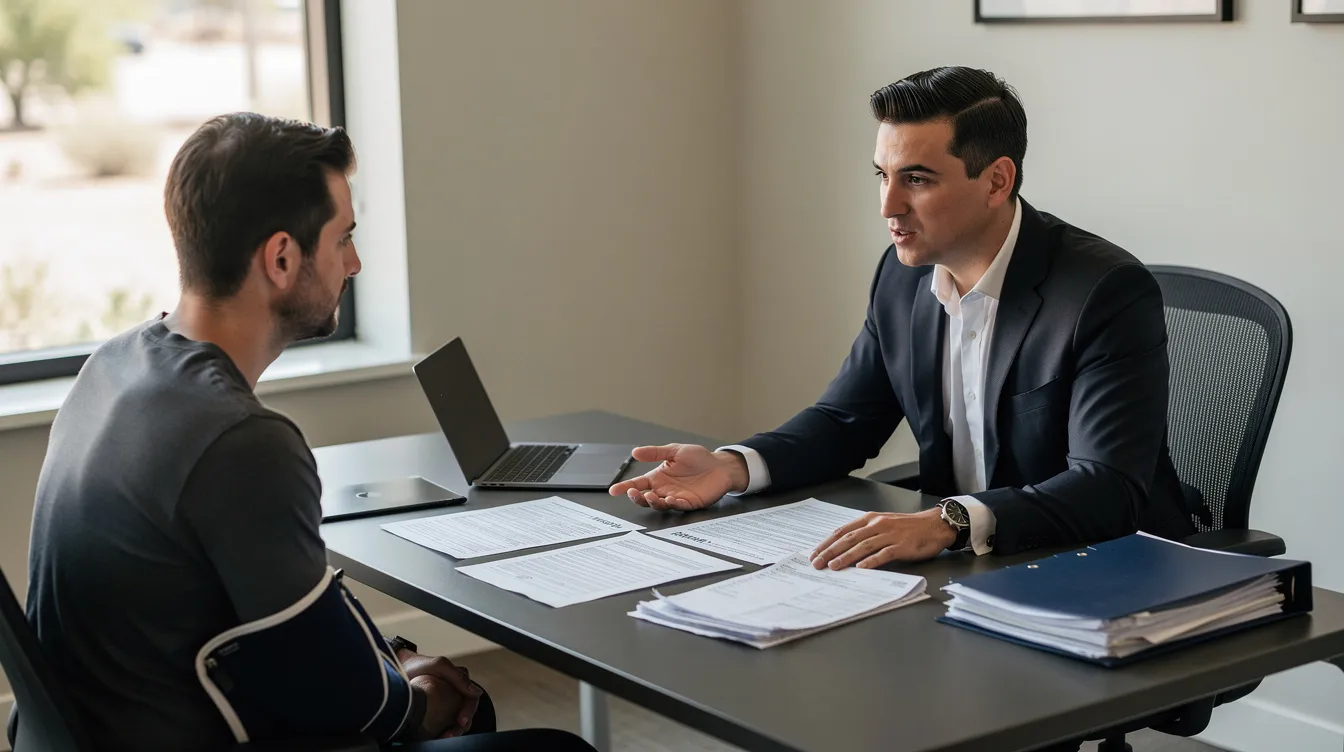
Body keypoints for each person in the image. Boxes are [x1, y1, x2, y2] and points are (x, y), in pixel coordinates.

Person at [15, 113, 593, 752]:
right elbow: (344, 698)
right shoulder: (238, 440)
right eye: (343, 238)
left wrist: (394, 660)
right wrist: (417, 699)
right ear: (283, 258)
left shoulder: (113, 367)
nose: (356, 262)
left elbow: (283, 630)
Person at [612, 66, 1196, 572]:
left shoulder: (1103, 291)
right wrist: (732, 467)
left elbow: (1107, 486)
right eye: (882, 175)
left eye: (916, 179)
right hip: (969, 566)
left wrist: (950, 523)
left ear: (997, 180)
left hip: (1099, 566)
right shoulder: (903, 277)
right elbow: (846, 419)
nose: (889, 205)